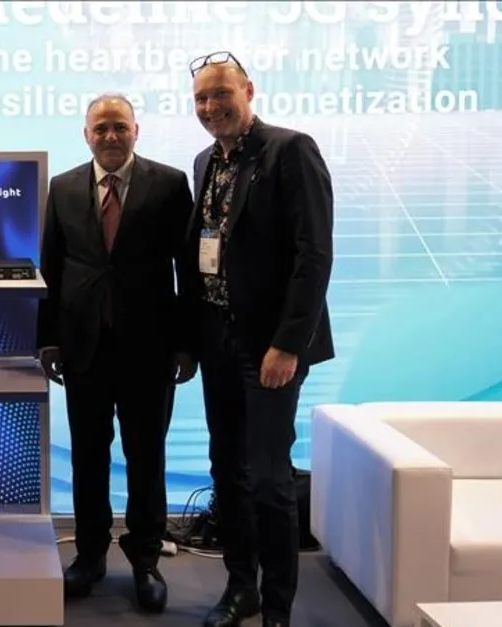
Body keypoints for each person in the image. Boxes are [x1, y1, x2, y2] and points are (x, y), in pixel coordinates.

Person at [185, 53, 335, 627]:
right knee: (227, 469)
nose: (210, 107)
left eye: (220, 94)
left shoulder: (290, 150)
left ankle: (278, 608)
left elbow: (313, 255)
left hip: (270, 348)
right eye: (201, 99)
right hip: (217, 339)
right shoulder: (205, 161)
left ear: (248, 90)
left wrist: (288, 345)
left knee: (270, 479)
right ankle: (240, 587)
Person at [36, 94, 199, 612]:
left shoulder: (169, 184)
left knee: (146, 458)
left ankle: (146, 559)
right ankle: (89, 556)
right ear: (86, 134)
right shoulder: (62, 187)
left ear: (136, 131)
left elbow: (188, 269)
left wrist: (186, 342)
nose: (111, 136)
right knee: (89, 457)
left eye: (120, 127)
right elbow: (51, 265)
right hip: (83, 347)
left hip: (150, 349)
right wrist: (48, 338)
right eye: (101, 127)